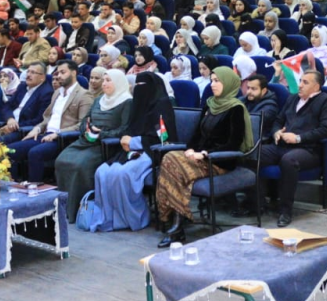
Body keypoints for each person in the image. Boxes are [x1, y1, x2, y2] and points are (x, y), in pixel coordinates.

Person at [156, 67, 252, 246]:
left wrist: (205, 154)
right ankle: (177, 223)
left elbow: (233, 143)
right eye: (212, 80)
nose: (213, 84)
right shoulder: (209, 104)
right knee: (170, 158)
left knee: (173, 164)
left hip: (219, 160)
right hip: (198, 157)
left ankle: (175, 224)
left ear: (228, 83)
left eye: (217, 81)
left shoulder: (236, 109)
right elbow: (197, 135)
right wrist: (190, 149)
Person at [91, 73, 177, 232]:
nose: (138, 89)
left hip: (151, 152)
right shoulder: (137, 104)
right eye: (136, 85)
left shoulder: (161, 106)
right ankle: (110, 218)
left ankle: (135, 218)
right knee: (102, 172)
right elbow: (129, 129)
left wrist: (134, 142)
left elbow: (163, 138)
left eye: (142, 85)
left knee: (123, 174)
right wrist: (127, 140)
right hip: (129, 150)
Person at [259, 70, 327, 227]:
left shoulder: (326, 101)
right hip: (282, 145)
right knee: (254, 153)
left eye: (305, 82)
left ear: (316, 86)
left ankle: (285, 211)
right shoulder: (293, 98)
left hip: (308, 149)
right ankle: (258, 203)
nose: (300, 85)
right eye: (300, 81)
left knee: (289, 160)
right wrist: (276, 132)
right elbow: (278, 120)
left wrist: (298, 138)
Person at [55, 68, 132, 222]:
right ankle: (64, 209)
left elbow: (125, 129)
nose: (104, 84)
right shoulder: (99, 100)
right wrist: (87, 129)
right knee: (61, 160)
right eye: (104, 80)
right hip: (87, 141)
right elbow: (85, 120)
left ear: (118, 82)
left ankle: (80, 210)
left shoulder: (127, 102)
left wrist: (101, 134)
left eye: (108, 80)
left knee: (80, 166)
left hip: (106, 146)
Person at [7, 61, 94, 183]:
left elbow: (82, 125)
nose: (59, 76)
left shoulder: (84, 95)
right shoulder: (57, 92)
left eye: (63, 72)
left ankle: (34, 186)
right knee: (10, 150)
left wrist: (58, 133)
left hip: (64, 139)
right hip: (45, 135)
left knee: (35, 153)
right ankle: (13, 184)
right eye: (58, 73)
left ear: (74, 73)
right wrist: (37, 128)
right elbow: (47, 117)